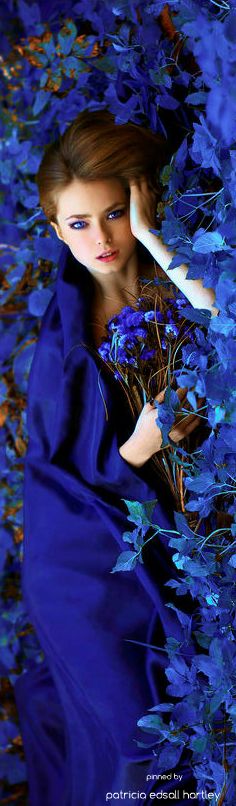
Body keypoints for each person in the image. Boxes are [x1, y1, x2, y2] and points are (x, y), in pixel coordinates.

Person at [14, 110, 218, 806]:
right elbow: (55, 483)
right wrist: (140, 444)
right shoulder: (62, 346)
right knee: (138, 750)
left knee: (193, 736)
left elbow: (222, 319)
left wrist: (157, 240)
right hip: (83, 570)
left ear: (141, 202)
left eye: (114, 214)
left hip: (176, 543)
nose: (99, 239)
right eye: (77, 224)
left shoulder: (180, 289)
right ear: (53, 229)